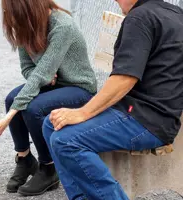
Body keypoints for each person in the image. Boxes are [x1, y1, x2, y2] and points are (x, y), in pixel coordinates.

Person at [42, 0, 183, 199]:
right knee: (51, 123)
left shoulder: (139, 17)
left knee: (66, 140)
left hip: (146, 119)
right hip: (157, 113)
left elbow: (124, 78)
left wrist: (82, 113)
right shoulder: (174, 12)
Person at [0, 0, 98, 196]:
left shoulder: (62, 26)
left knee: (31, 107)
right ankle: (25, 159)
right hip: (52, 85)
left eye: (11, 11)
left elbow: (40, 74)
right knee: (12, 99)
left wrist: (9, 116)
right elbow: (28, 69)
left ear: (27, 9)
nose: (8, 15)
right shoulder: (25, 26)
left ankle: (49, 167)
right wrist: (44, 79)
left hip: (78, 87)